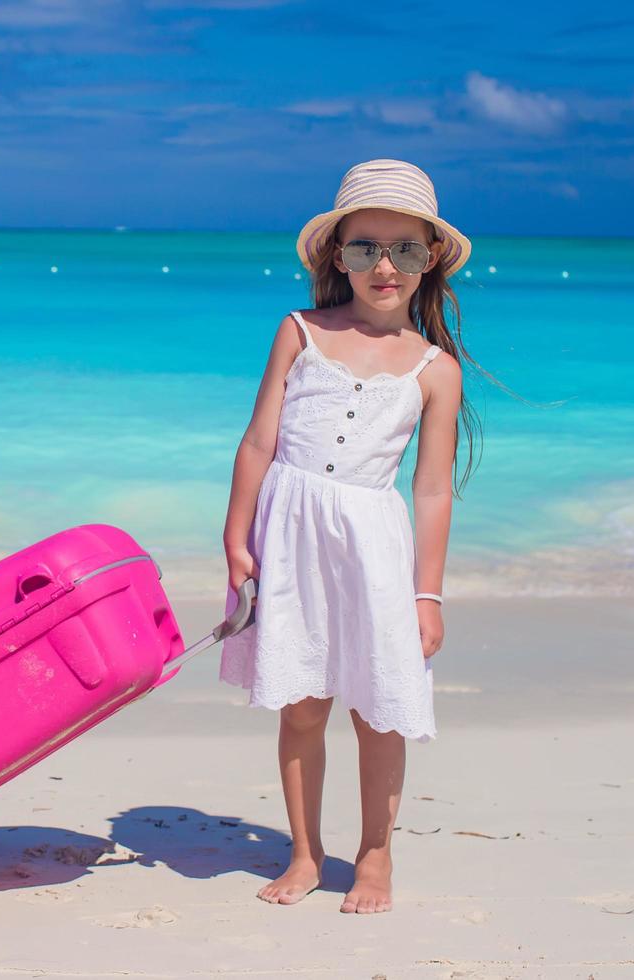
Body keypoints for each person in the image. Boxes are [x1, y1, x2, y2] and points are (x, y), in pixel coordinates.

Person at [218, 159, 486, 914]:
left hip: (374, 549)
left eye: (404, 248)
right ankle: (304, 852)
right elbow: (258, 443)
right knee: (301, 704)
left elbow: (431, 489)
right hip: (291, 539)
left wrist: (426, 594)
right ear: (338, 255)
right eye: (366, 247)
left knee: (377, 708)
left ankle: (375, 858)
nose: (385, 265)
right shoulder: (299, 332)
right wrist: (237, 540)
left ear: (429, 258)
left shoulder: (436, 370)